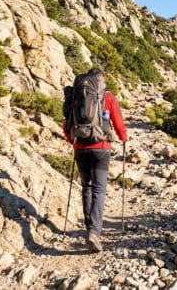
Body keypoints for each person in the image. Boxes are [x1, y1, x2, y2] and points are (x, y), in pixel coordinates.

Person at [63, 68, 128, 252]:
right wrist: (123, 138)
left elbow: (66, 124)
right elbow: (117, 121)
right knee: (99, 189)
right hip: (101, 149)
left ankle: (90, 228)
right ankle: (94, 232)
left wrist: (74, 142)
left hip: (80, 148)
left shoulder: (77, 96)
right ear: (101, 80)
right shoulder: (107, 97)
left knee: (87, 187)